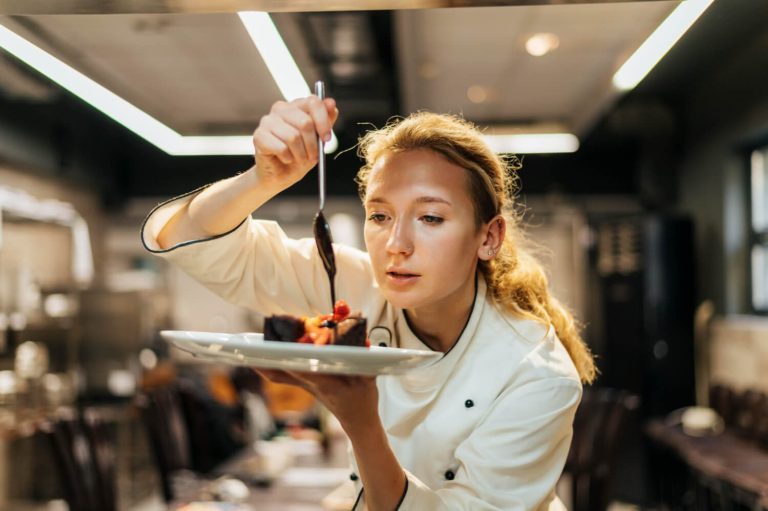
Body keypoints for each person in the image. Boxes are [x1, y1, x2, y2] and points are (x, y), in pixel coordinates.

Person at [141, 94, 596, 510]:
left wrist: (360, 422)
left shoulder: (537, 374)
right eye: (379, 215)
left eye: (431, 217)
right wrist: (262, 179)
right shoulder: (356, 287)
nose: (396, 243)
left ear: (489, 237)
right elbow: (192, 241)